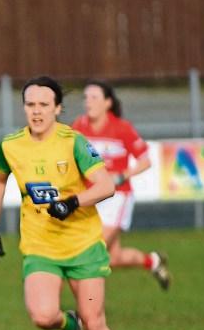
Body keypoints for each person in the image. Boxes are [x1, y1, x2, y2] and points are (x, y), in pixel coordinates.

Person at [0, 76, 119, 330]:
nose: (36, 111)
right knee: (43, 315)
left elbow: (106, 185)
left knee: (95, 320)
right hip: (40, 245)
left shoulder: (73, 141)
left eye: (44, 105)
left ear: (57, 108)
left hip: (83, 245)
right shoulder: (11, 145)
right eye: (30, 104)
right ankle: (67, 324)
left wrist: (72, 203)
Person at [72, 80, 170, 289]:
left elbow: (145, 161)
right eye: (85, 97)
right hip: (91, 196)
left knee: (90, 251)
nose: (88, 102)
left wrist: (121, 175)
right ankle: (153, 261)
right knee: (113, 258)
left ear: (107, 103)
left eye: (94, 97)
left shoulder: (122, 128)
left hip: (117, 197)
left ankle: (86, 311)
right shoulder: (79, 127)